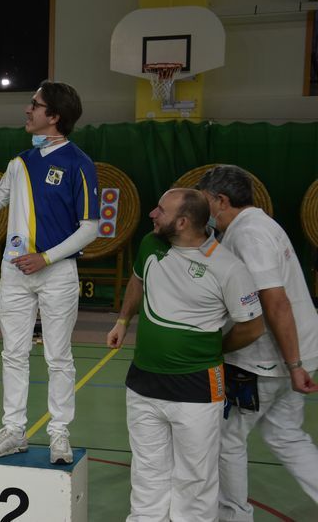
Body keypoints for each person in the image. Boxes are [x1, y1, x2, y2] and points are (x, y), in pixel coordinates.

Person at [107, 188, 264, 522]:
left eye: (160, 210)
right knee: (147, 471)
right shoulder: (151, 244)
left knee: (195, 480)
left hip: (197, 386)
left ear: (182, 222)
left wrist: (213, 349)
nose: (152, 214)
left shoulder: (229, 268)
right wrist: (123, 320)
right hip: (143, 382)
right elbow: (137, 280)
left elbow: (252, 326)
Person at [0, 81, 99, 464]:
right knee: (13, 353)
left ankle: (59, 433)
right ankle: (14, 430)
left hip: (57, 273)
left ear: (54, 116)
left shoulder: (79, 163)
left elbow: (90, 228)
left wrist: (45, 259)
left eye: (35, 104)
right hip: (14, 272)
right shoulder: (19, 163)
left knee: (59, 357)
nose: (28, 109)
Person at [195, 164, 318, 520]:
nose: (202, 209)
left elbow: (274, 302)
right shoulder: (256, 226)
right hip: (292, 355)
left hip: (267, 362)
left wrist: (293, 365)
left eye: (205, 201)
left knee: (227, 437)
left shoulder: (249, 233)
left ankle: (233, 515)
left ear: (221, 200)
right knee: (286, 436)